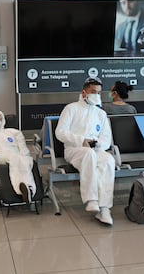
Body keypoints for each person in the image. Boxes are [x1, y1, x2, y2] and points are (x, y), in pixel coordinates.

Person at [55, 77, 116, 225]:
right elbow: (60, 132)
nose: (97, 95)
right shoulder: (71, 108)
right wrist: (81, 140)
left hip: (95, 150)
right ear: (84, 92)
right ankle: (91, 199)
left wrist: (97, 144)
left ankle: (104, 208)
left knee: (108, 160)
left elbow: (106, 139)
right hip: (74, 150)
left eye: (99, 93)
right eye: (93, 92)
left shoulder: (100, 114)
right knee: (88, 155)